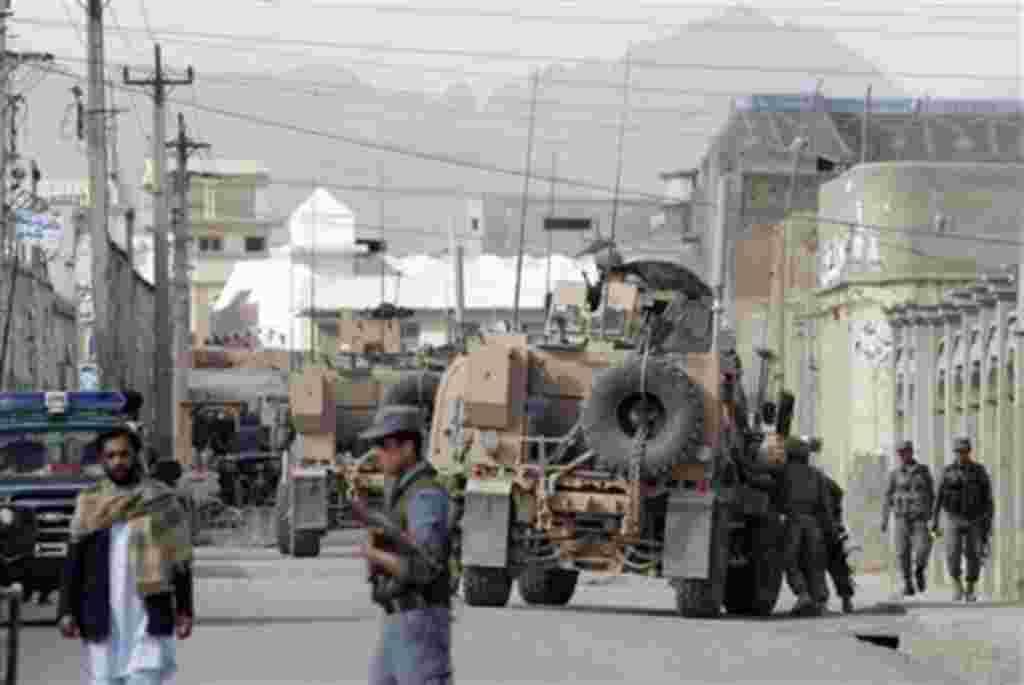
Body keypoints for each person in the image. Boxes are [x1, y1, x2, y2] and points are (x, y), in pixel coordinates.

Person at [58, 427, 194, 685]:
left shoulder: (161, 500)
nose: (118, 461)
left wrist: (185, 610)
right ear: (102, 460)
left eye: (124, 454)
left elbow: (181, 561)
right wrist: (66, 610)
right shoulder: (90, 503)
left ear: (136, 456)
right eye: (110, 456)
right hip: (102, 616)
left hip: (149, 615)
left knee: (145, 678)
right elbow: (73, 563)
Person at [358, 405, 453, 685]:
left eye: (385, 445)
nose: (379, 453)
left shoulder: (424, 495)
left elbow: (426, 566)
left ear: (408, 448)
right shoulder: (401, 492)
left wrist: (374, 553)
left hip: (420, 621)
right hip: (397, 619)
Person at [774, 437, 834, 616]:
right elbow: (825, 505)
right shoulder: (817, 474)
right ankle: (820, 601)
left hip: (793, 522)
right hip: (813, 523)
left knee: (790, 560)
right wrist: (829, 528)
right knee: (815, 563)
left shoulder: (783, 472)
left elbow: (776, 496)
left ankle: (803, 595)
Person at [932, 436, 993, 602]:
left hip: (974, 518)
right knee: (952, 553)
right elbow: (937, 498)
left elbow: (988, 499)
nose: (962, 454)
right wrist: (934, 521)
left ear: (969, 452)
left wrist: (988, 523)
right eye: (959, 452)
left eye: (965, 451)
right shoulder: (947, 472)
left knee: (974, 554)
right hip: (953, 518)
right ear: (955, 452)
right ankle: (957, 585)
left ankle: (971, 587)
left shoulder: (979, 471)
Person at [881, 440, 935, 596]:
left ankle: (919, 570)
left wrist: (932, 516)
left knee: (923, 548)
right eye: (900, 453)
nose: (903, 455)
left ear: (911, 452)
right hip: (901, 518)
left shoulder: (923, 471)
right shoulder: (895, 474)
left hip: (920, 518)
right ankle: (907, 583)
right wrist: (884, 518)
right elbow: (887, 497)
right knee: (902, 552)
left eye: (906, 452)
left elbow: (932, 494)